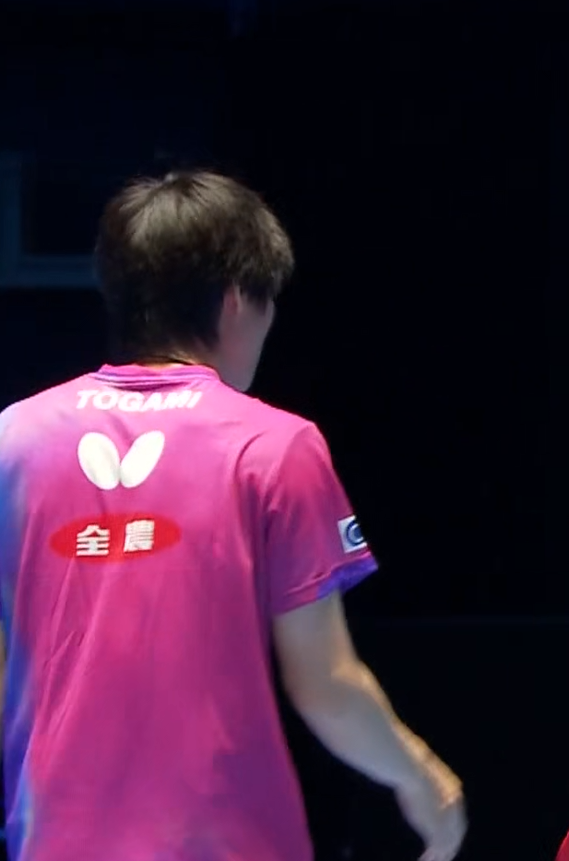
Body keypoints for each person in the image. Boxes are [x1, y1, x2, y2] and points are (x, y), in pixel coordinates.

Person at [0, 171, 466, 861]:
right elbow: (325, 684)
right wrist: (421, 777)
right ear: (236, 301)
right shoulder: (274, 446)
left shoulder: (14, 439)